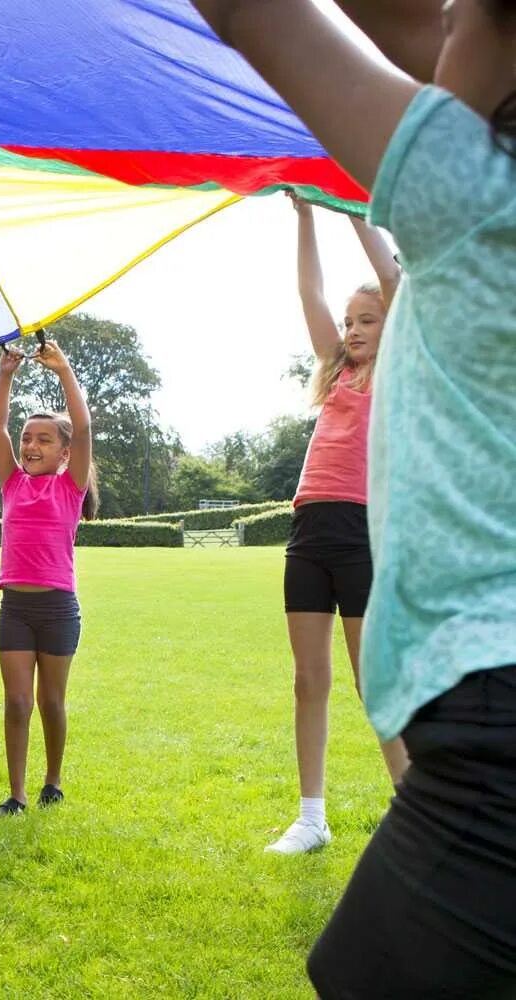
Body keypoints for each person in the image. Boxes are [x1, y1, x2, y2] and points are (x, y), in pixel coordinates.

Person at [187, 1, 516, 994]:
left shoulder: (476, 197)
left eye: (459, 17)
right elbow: (433, 35)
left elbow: (255, 14)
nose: (431, 32)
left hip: (497, 733)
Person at [268, 195, 408, 855]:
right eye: (348, 321)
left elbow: (397, 284)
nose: (352, 329)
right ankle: (311, 817)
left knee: (370, 677)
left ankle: (413, 808)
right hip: (309, 533)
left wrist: (354, 210)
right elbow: (306, 289)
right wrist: (303, 215)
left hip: (361, 534)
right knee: (309, 678)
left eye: (367, 320)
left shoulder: (402, 372)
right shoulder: (333, 377)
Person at [0, 338, 96, 815]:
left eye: (43, 439)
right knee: (16, 703)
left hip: (57, 610)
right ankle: (16, 794)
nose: (30, 445)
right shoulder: (12, 481)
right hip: (15, 609)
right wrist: (5, 374)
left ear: (66, 453)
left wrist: (64, 370)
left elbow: (85, 423)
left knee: (51, 702)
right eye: (28, 439)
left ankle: (52, 780)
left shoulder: (70, 487)